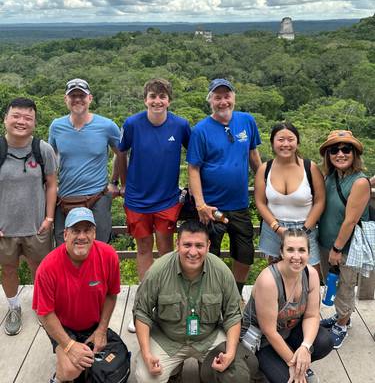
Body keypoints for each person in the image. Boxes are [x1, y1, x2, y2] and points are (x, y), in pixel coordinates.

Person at [133, 219, 262, 383]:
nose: (193, 252)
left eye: (199, 246)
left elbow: (233, 315)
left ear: (208, 246)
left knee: (235, 374)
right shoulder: (158, 271)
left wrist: (229, 353)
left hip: (208, 337)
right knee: (146, 378)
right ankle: (175, 371)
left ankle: (206, 369)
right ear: (177, 244)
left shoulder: (221, 271)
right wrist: (146, 353)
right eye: (187, 245)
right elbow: (142, 312)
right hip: (167, 339)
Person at [187, 78, 262, 297]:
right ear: (210, 100)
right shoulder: (200, 130)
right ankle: (212, 296)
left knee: (245, 253)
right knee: (210, 254)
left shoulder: (247, 121)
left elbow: (254, 157)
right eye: (217, 97)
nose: (223, 102)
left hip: (239, 204)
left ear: (234, 97)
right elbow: (193, 169)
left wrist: (267, 185)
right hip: (212, 207)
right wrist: (200, 204)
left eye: (226, 96)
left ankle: (236, 294)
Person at [32, 207, 121, 383]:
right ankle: (57, 379)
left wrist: (102, 330)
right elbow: (44, 313)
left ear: (94, 233)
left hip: (93, 323)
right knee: (71, 369)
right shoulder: (47, 267)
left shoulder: (109, 255)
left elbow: (111, 294)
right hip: (62, 325)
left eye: (87, 230)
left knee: (109, 364)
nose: (81, 236)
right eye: (75, 230)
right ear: (65, 234)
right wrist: (69, 345)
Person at [117, 78, 190, 281]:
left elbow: (194, 156)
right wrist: (123, 184)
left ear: (169, 101)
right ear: (145, 100)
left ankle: (167, 291)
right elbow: (121, 153)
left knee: (166, 248)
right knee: (143, 248)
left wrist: (193, 187)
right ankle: (146, 292)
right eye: (152, 96)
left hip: (167, 198)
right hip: (137, 198)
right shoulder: (132, 124)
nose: (157, 101)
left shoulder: (181, 125)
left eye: (162, 96)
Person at [242, 229, 333, 383]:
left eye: (302, 250)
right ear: (282, 253)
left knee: (324, 341)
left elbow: (312, 315)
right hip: (262, 340)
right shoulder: (269, 280)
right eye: (290, 250)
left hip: (288, 331)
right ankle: (266, 370)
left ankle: (299, 360)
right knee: (285, 380)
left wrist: (305, 347)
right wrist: (293, 363)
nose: (296, 256)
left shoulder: (311, 275)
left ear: (309, 254)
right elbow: (269, 331)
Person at [0, 97, 57, 336]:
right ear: (5, 119)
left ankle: (43, 308)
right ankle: (14, 308)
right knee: (8, 269)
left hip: (37, 227)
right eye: (16, 116)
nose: (21, 122)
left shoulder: (42, 149)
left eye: (28, 118)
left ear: (34, 122)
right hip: (5, 228)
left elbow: (52, 184)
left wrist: (49, 218)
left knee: (40, 270)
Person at [49, 78, 122, 245]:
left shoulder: (107, 126)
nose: (77, 99)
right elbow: (50, 159)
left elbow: (121, 154)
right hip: (65, 199)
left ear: (90, 98)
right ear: (65, 99)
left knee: (99, 246)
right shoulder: (56, 126)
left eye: (81, 95)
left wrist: (114, 182)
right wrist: (53, 186)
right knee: (64, 247)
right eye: (72, 95)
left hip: (97, 197)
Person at [318, 130, 370, 349]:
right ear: (328, 155)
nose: (340, 154)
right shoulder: (331, 177)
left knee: (345, 284)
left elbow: (350, 221)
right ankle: (341, 315)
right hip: (326, 242)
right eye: (334, 150)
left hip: (344, 246)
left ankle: (342, 323)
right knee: (333, 282)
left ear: (355, 153)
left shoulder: (358, 182)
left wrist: (337, 248)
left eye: (346, 149)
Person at [256, 122, 325, 270]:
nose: (286, 144)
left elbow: (320, 201)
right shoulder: (264, 169)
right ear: (272, 143)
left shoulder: (310, 167)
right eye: (280, 139)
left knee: (310, 272)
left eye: (290, 139)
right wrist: (277, 228)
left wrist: (304, 230)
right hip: (274, 228)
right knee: (276, 273)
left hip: (306, 227)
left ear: (297, 142)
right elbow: (260, 202)